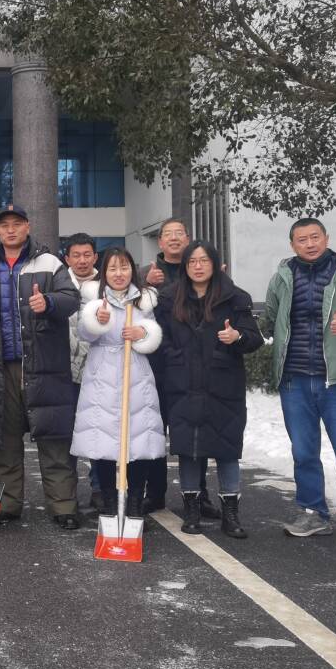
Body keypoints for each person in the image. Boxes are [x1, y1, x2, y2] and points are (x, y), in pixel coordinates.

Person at [0, 205, 81, 528]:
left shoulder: (49, 263)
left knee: (53, 437)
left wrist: (48, 302)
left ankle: (63, 506)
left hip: (44, 365)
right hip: (1, 367)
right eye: (4, 225)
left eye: (16, 224)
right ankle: (8, 503)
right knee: (6, 438)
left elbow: (71, 299)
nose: (10, 230)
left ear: (27, 227)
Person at [264, 217, 336, 551]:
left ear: (326, 238)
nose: (310, 244)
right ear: (292, 245)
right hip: (294, 379)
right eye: (302, 239)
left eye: (315, 237)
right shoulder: (282, 277)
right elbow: (269, 318)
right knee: (303, 452)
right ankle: (313, 512)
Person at [154, 241, 263, 537]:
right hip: (183, 384)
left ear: (215, 264)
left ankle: (231, 514)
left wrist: (237, 336)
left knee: (227, 449)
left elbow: (254, 338)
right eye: (192, 261)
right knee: (188, 449)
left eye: (204, 260)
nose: (198, 266)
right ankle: (191, 510)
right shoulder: (169, 298)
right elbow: (159, 337)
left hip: (223, 384)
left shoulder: (235, 297)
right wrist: (174, 358)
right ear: (185, 266)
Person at [71, 246, 164, 517]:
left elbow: (154, 335)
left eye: (124, 267)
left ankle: (134, 503)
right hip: (102, 373)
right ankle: (110, 503)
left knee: (138, 440)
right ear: (104, 272)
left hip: (136, 373)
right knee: (102, 441)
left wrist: (142, 333)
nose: (119, 273)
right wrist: (96, 321)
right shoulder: (93, 297)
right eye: (112, 268)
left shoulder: (144, 299)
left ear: (132, 270)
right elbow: (83, 333)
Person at [142, 217, 191, 516]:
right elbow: (131, 304)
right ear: (160, 242)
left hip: (190, 364)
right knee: (154, 431)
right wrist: (146, 284)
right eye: (168, 234)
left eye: (179, 234)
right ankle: (155, 493)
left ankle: (196, 495)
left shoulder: (200, 268)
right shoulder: (145, 272)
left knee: (191, 432)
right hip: (156, 365)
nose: (174, 238)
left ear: (187, 239)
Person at [62, 233, 102, 510]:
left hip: (98, 371)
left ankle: (99, 488)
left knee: (98, 430)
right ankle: (67, 492)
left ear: (95, 257)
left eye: (87, 254)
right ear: (67, 259)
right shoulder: (58, 283)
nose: (82, 260)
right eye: (76, 255)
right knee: (67, 433)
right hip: (64, 371)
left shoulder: (106, 285)